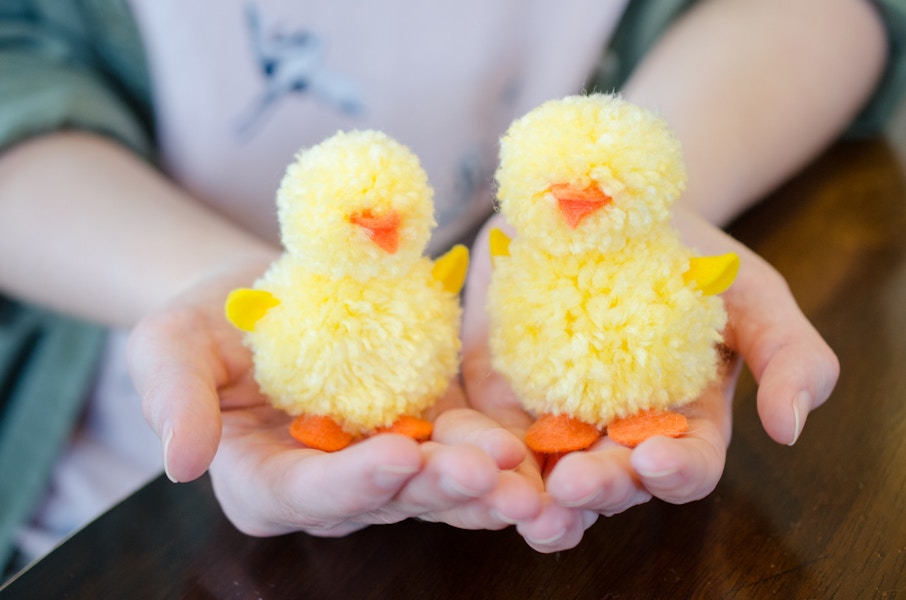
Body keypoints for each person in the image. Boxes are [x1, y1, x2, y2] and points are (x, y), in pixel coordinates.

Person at [0, 0, 899, 570]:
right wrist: (203, 283)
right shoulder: (303, 305)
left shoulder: (543, 266)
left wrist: (668, 195)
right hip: (122, 484)